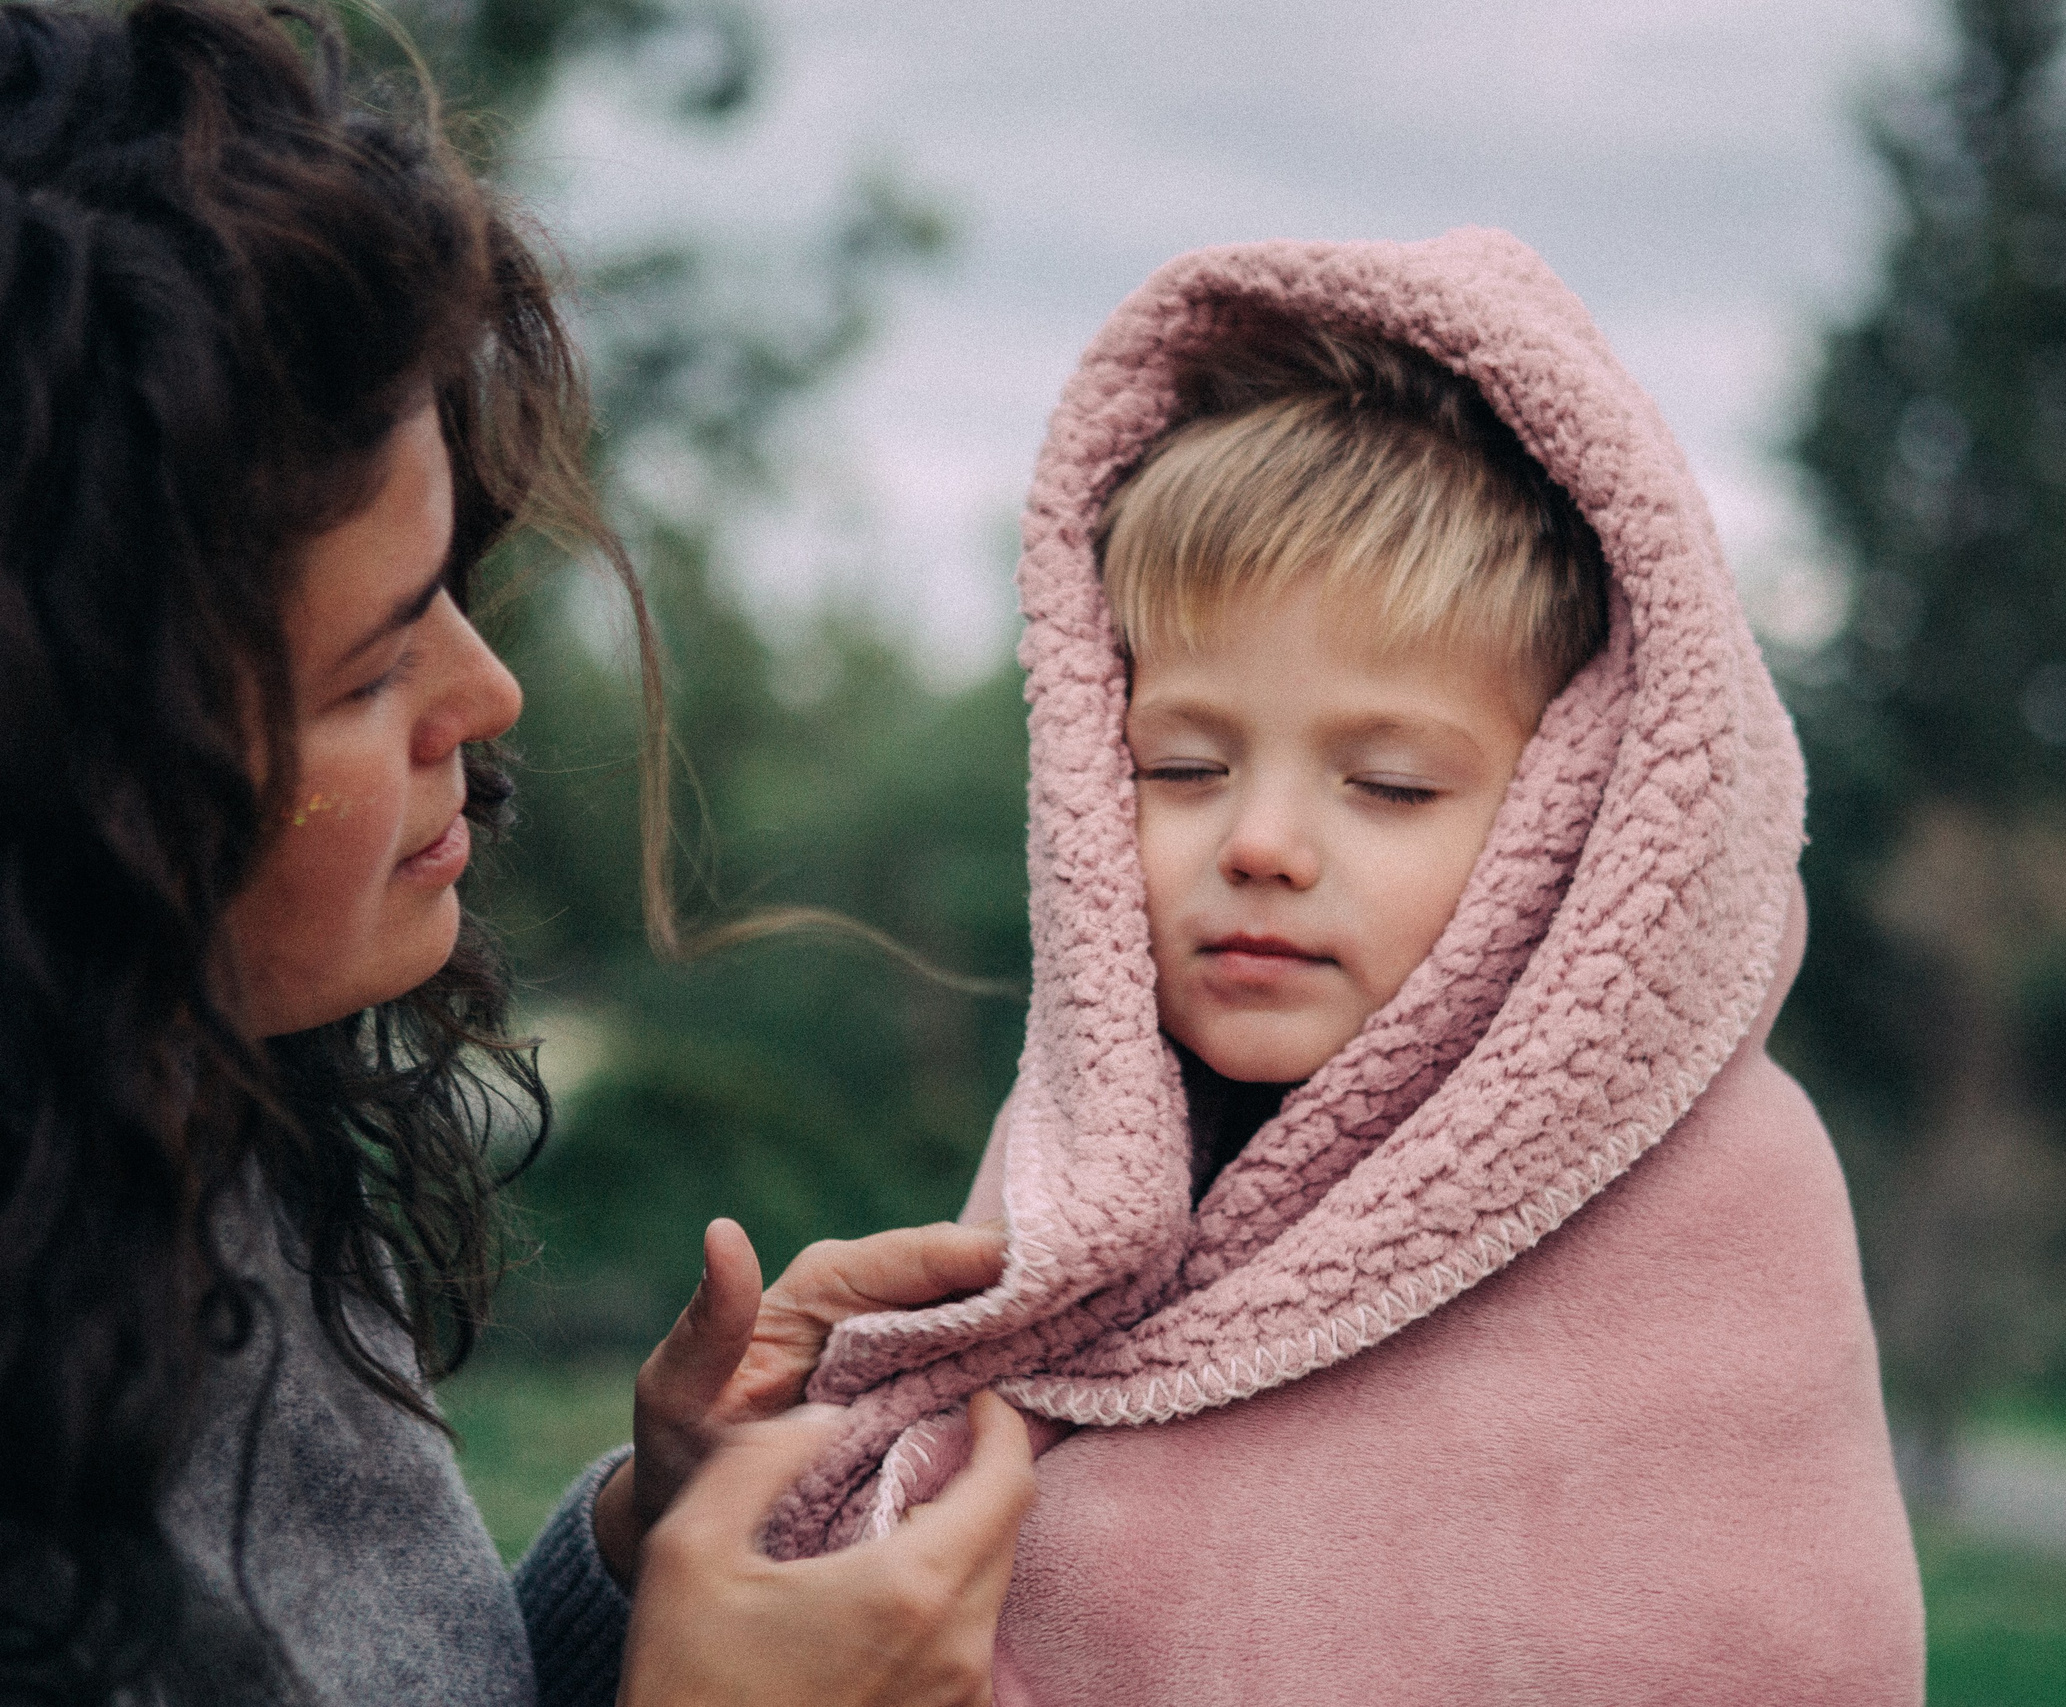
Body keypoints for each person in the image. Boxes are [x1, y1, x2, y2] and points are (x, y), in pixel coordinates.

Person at [0, 3, 1032, 1704]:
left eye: (454, 593)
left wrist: (643, 1553)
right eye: (368, 664)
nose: (488, 695)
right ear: (79, 783)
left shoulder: (207, 1147)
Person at [757, 232, 1926, 1704]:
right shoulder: (1085, 1144)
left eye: (1386, 787)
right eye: (1179, 766)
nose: (1260, 844)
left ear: (1572, 829)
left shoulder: (1717, 1208)